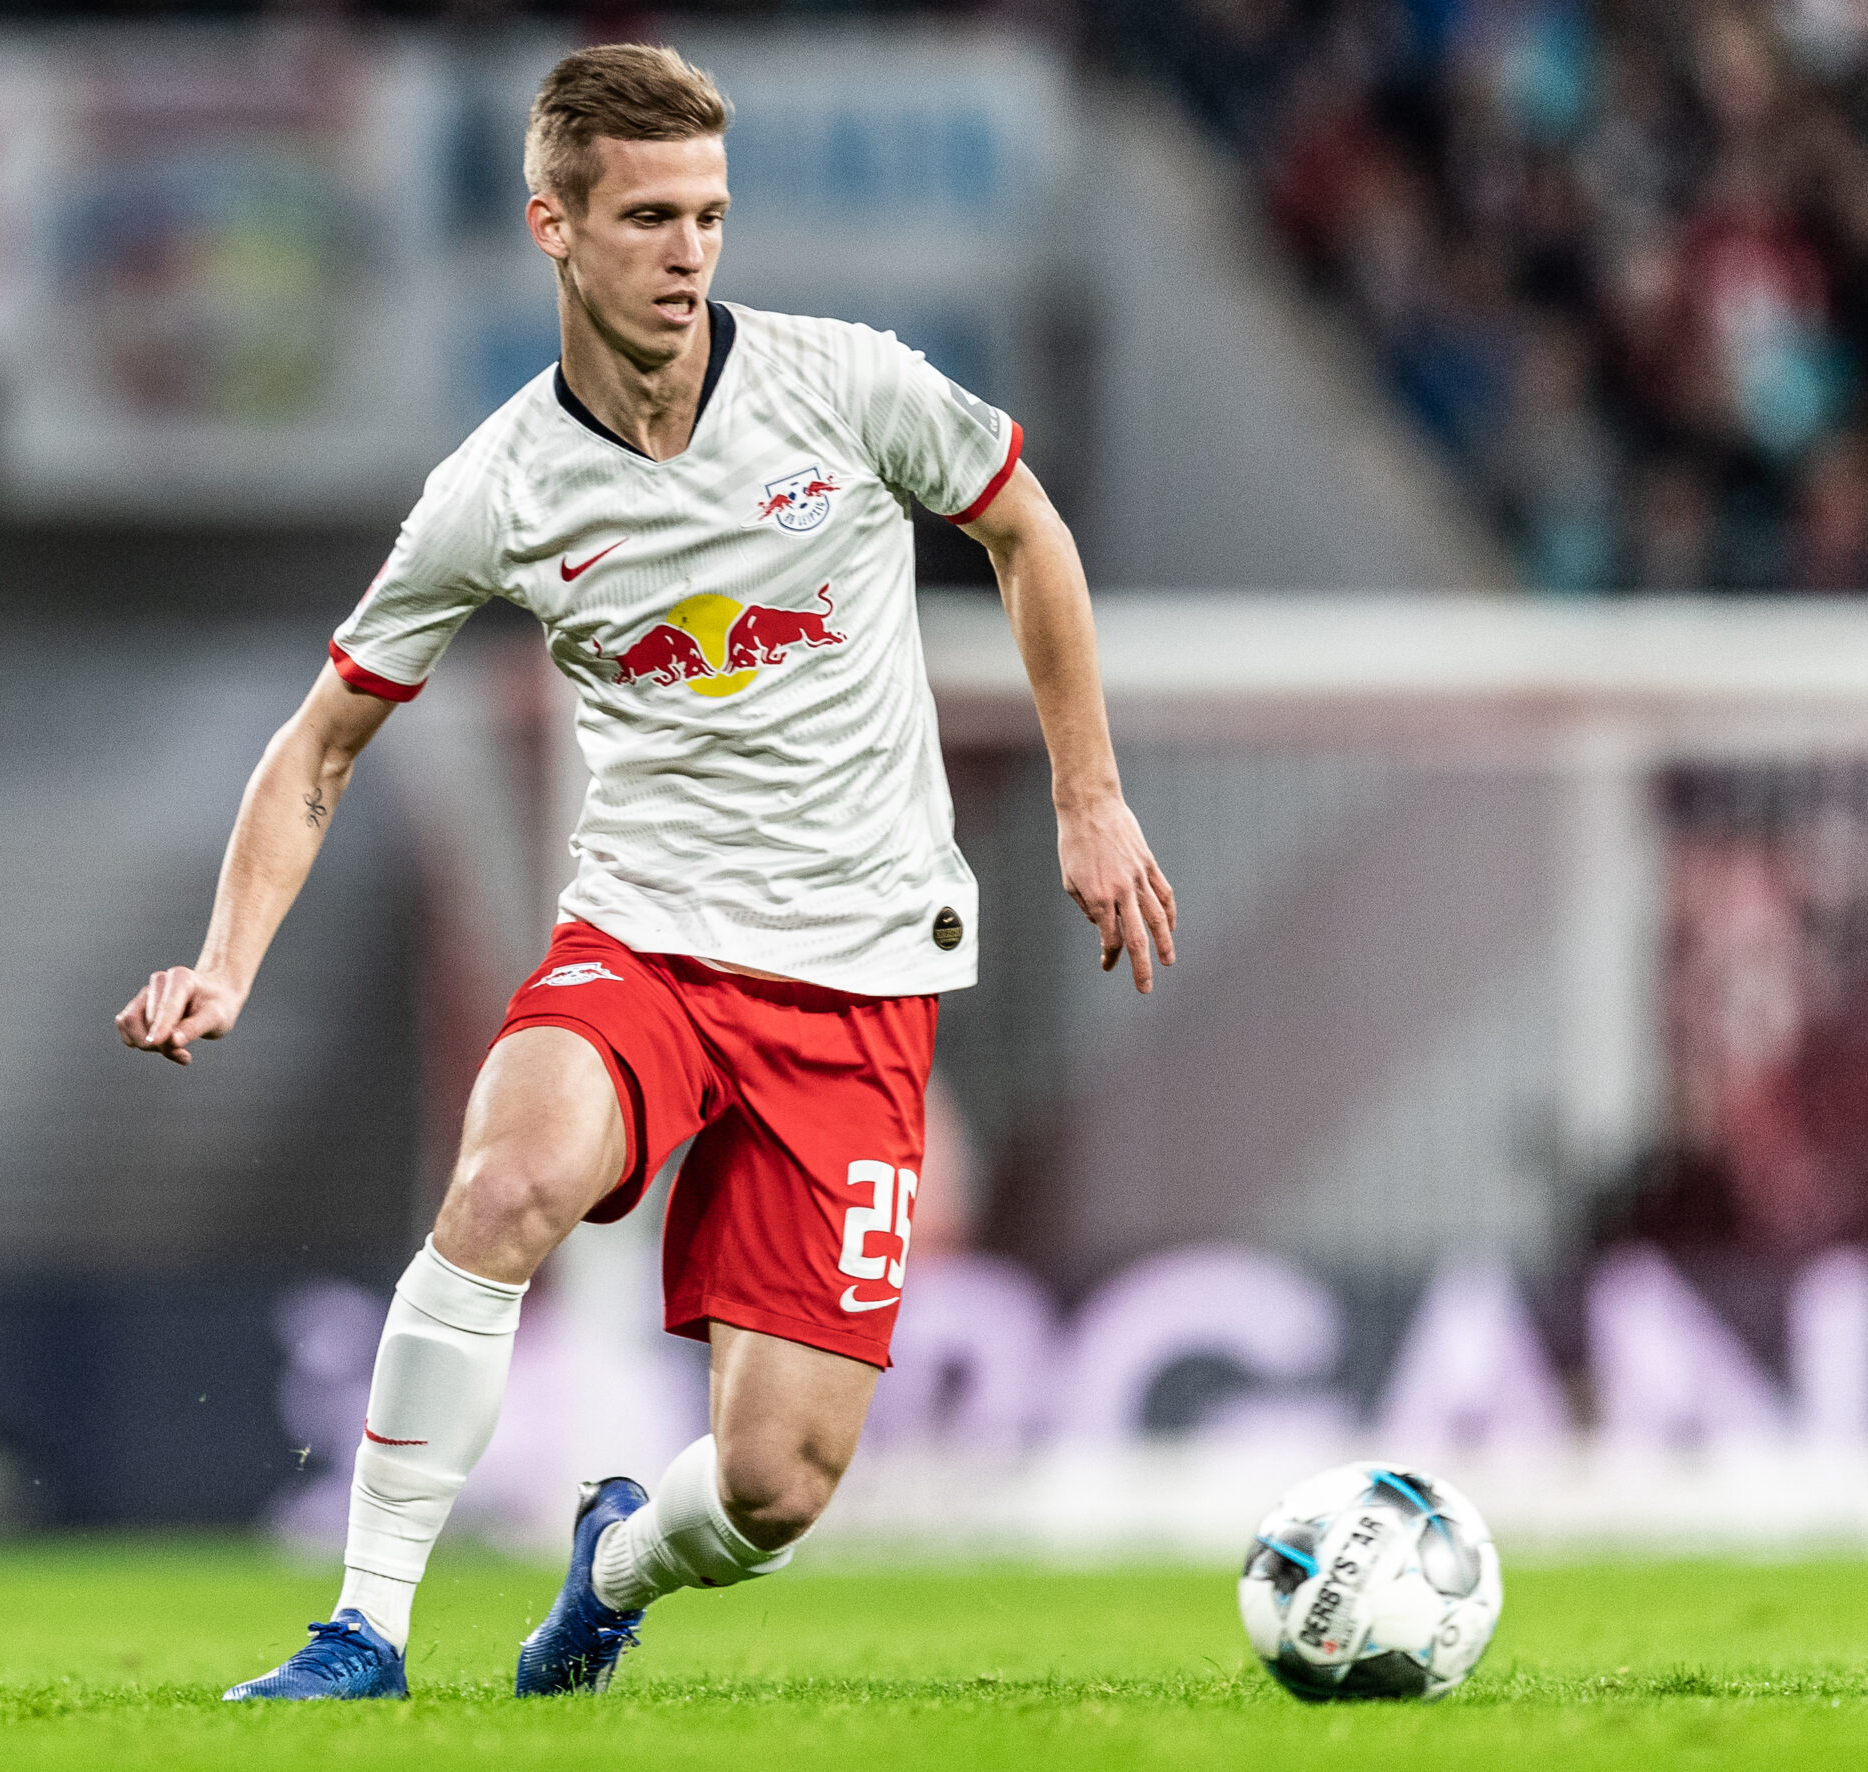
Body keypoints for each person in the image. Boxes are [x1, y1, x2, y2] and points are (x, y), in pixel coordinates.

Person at [113, 43, 1176, 1702]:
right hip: (647, 947)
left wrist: (1087, 797)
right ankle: (363, 1632)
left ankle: (609, 1566)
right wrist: (227, 963)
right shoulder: (498, 489)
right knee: (504, 1185)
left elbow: (1025, 528)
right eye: (651, 218)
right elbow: (318, 744)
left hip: (862, 970)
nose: (690, 253)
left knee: (772, 1491)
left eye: (712, 216)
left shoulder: (848, 386)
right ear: (555, 225)